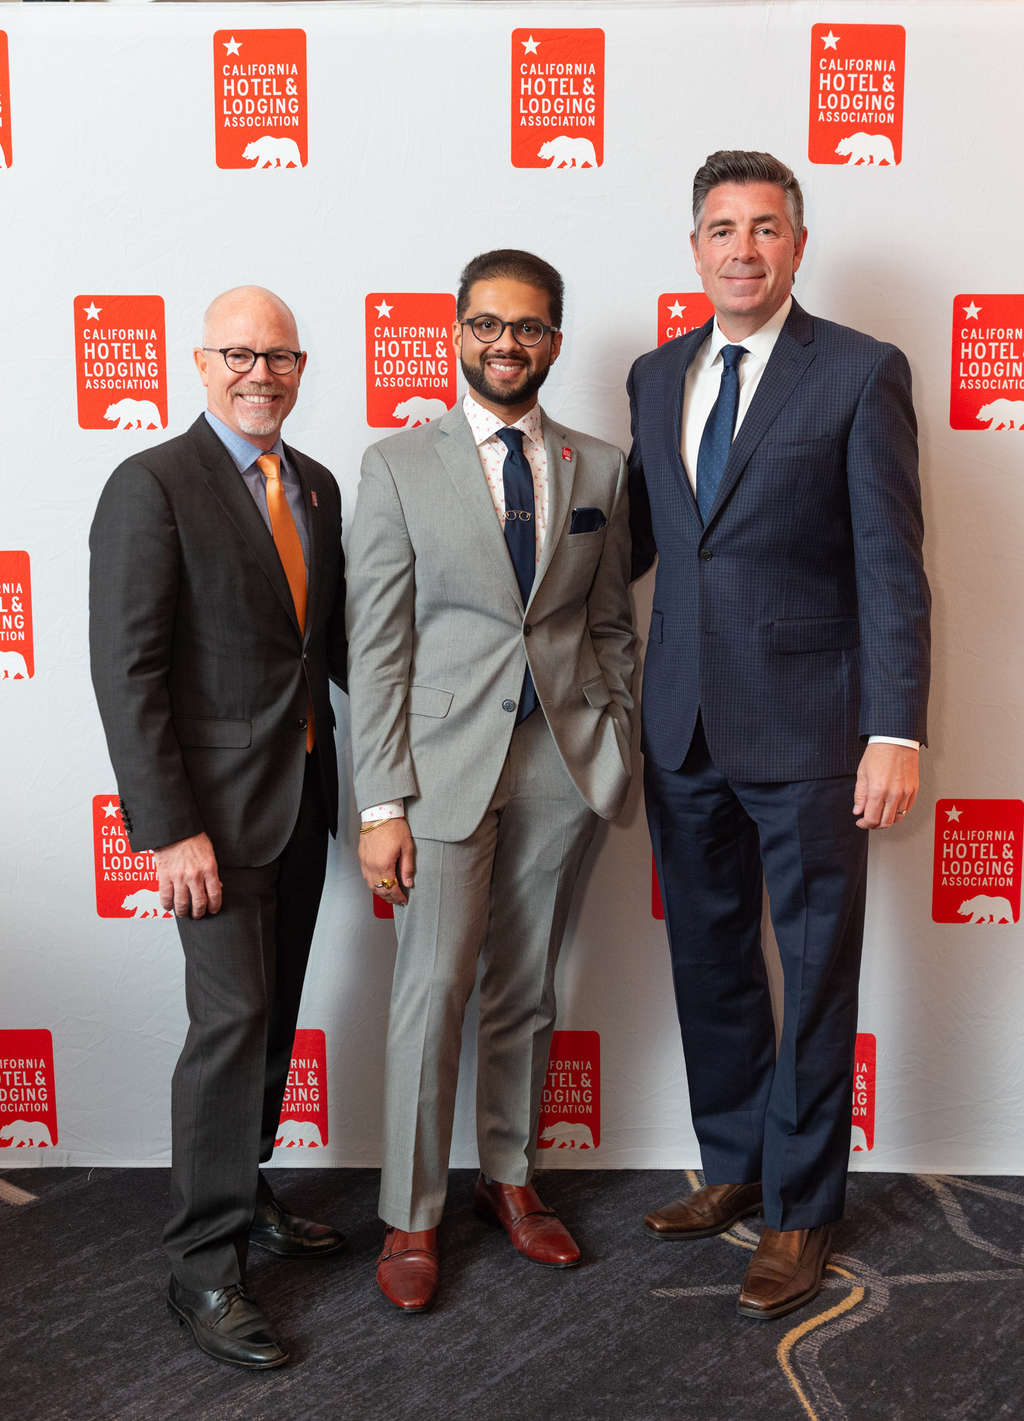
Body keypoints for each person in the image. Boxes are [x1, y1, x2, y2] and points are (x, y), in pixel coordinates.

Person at [627, 152, 930, 1320]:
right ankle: (736, 1163)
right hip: (682, 725)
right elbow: (648, 544)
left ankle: (801, 1211)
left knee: (810, 978)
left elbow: (890, 567)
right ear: (693, 247)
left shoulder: (858, 371)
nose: (741, 248)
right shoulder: (655, 377)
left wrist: (893, 727)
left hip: (814, 731)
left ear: (798, 243)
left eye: (764, 227)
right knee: (709, 965)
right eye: (719, 227)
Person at [346, 249, 635, 1312]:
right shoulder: (397, 465)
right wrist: (381, 801)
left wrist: (615, 733)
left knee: (527, 986)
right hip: (439, 771)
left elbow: (608, 623)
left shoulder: (600, 467)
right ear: (455, 331)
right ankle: (412, 1212)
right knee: (432, 988)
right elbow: (375, 645)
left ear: (553, 339)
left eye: (528, 327)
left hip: (566, 764)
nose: (505, 344)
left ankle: (508, 1179)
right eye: (486, 325)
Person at [89, 286, 348, 1368]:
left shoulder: (320, 485)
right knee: (231, 1022)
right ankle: (200, 1264)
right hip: (208, 824)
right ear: (199, 363)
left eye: (279, 355)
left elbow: (323, 651)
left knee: (274, 1015)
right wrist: (169, 830)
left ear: (300, 367)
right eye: (238, 353)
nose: (260, 373)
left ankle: (243, 1196)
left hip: (300, 802)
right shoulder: (151, 483)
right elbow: (128, 670)